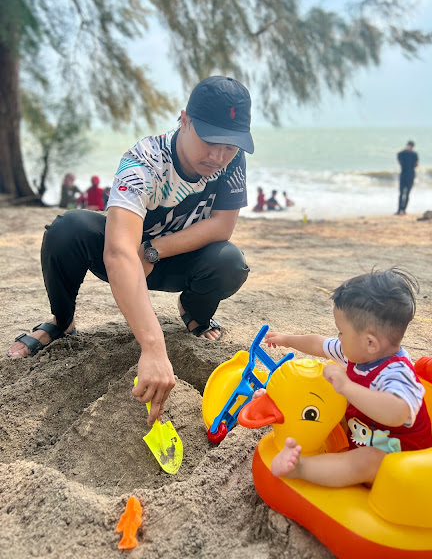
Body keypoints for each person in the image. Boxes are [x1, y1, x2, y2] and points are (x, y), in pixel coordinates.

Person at [8, 75, 254, 427]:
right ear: (184, 120)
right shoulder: (144, 161)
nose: (218, 156)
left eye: (230, 146)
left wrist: (155, 249)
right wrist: (153, 347)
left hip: (169, 259)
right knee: (67, 229)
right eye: (210, 141)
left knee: (230, 261)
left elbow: (221, 226)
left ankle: (194, 311)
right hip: (125, 258)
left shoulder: (231, 161)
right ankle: (62, 321)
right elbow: (120, 252)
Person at [261, 268, 432, 488]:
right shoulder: (358, 351)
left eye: (341, 332)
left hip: (401, 458)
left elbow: (397, 412)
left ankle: (301, 468)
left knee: (367, 460)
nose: (338, 338)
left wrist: (347, 386)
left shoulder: (397, 373)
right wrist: (287, 339)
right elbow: (319, 344)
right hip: (364, 435)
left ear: (370, 342)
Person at [396, 141, 418, 215]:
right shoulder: (414, 154)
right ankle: (402, 210)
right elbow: (416, 164)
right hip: (409, 175)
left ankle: (401, 210)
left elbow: (399, 162)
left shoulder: (401, 153)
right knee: (405, 193)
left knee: (403, 193)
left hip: (404, 174)